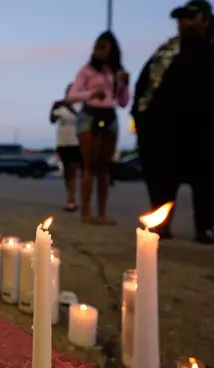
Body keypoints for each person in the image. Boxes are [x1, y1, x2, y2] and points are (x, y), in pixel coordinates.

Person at [132, 1, 214, 244]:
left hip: (208, 130)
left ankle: (205, 227)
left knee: (210, 181)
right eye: (181, 18)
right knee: (161, 178)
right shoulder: (167, 51)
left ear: (206, 20)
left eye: (190, 17)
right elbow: (145, 85)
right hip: (165, 129)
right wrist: (141, 116)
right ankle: (162, 223)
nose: (183, 23)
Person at [66, 32, 130, 225]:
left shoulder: (118, 72)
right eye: (97, 47)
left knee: (105, 166)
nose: (99, 51)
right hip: (90, 115)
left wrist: (124, 85)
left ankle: (101, 213)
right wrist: (93, 93)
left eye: (104, 47)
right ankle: (85, 211)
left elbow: (124, 102)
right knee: (89, 164)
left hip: (110, 116)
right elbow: (71, 95)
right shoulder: (87, 70)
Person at [50, 84, 81, 212]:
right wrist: (55, 108)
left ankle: (73, 200)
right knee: (67, 172)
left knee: (74, 170)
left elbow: (81, 118)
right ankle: (70, 198)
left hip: (77, 142)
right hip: (63, 142)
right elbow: (52, 119)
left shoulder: (81, 105)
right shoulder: (59, 104)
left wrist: (69, 105)